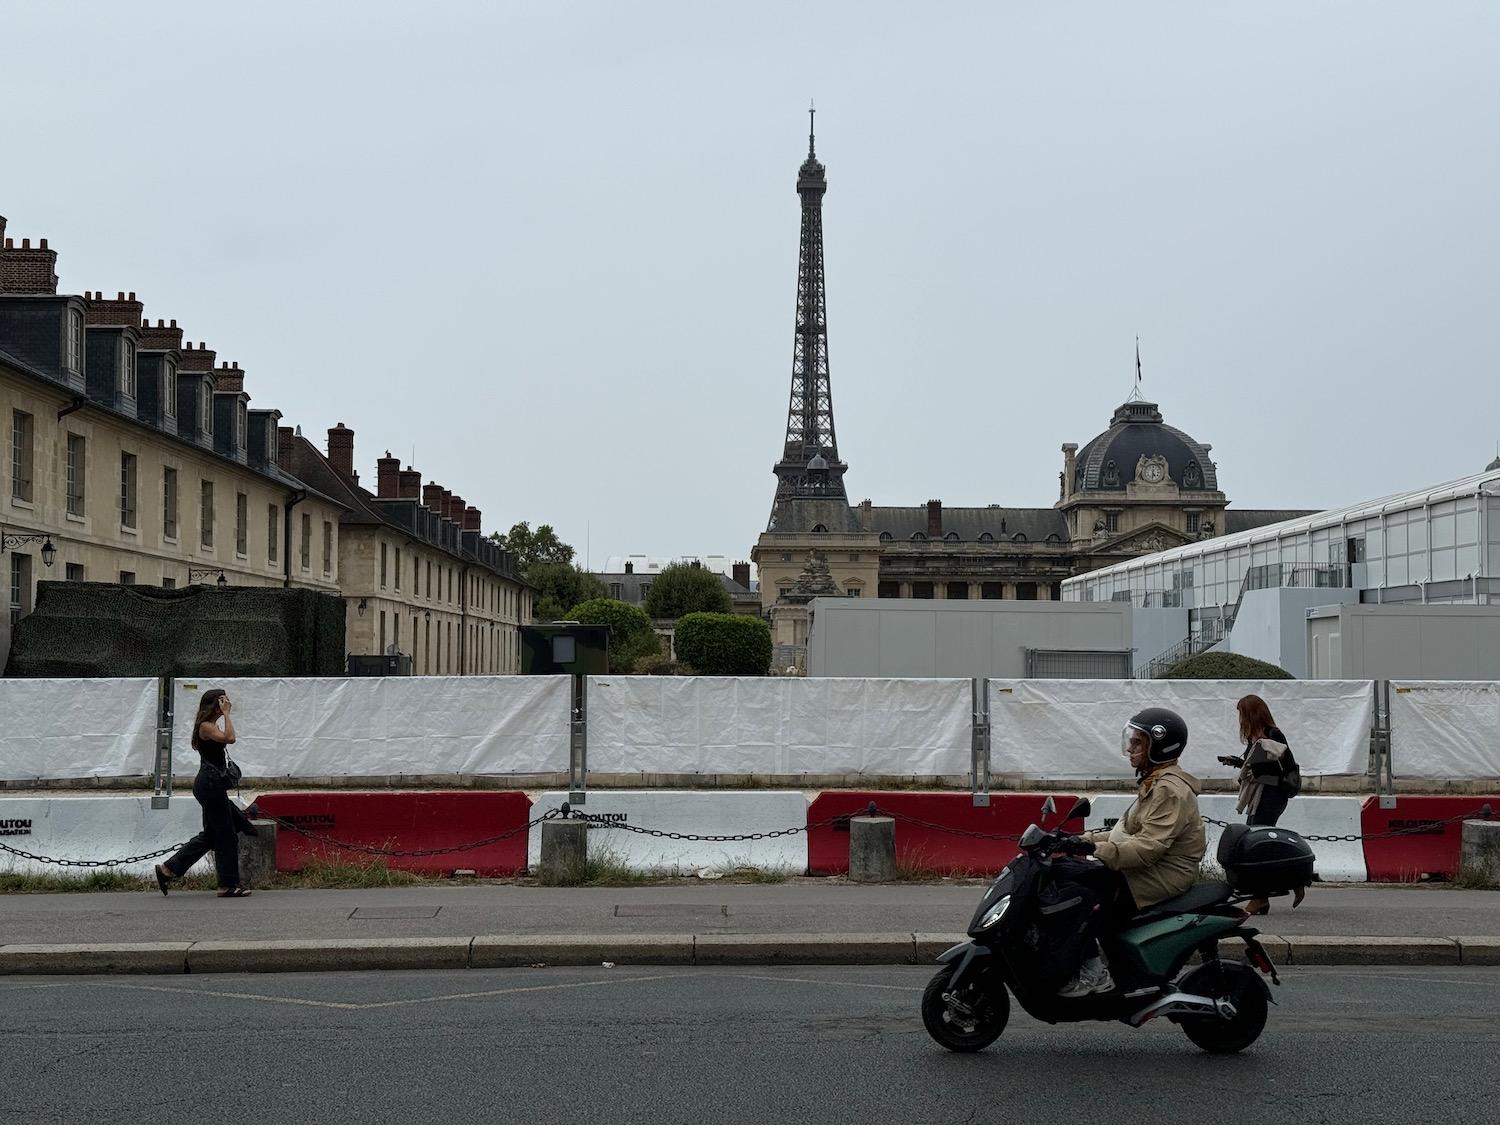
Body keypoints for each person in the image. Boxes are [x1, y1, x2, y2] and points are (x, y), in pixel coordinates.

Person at [1052, 707, 1206, 997]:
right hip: (1149, 867)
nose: (1131, 749)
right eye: (1131, 741)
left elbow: (1147, 849)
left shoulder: (1169, 790)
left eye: (1138, 743)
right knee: (1065, 875)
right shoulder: (1155, 781)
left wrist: (1091, 848)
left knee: (1081, 898)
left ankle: (1095, 975)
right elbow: (1125, 831)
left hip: (1162, 875)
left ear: (1159, 747)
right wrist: (1072, 839)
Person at [155, 688, 256, 898]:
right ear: (214, 704)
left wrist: (225, 714)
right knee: (227, 836)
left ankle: (167, 869)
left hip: (210, 784)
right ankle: (227, 885)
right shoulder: (206, 727)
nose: (228, 702)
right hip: (210, 785)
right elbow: (230, 738)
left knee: (212, 835)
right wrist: (227, 714)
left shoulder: (210, 725)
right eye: (223, 700)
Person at [1218, 693, 1303, 913]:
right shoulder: (1253, 739)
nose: (1240, 720)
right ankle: (1295, 879)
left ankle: (1260, 898)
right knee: (1260, 844)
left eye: (1242, 714)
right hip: (1260, 794)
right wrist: (1238, 763)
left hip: (1272, 795)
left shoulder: (1273, 735)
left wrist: (1259, 767)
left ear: (1252, 714)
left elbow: (1286, 765)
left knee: (1257, 846)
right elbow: (1253, 765)